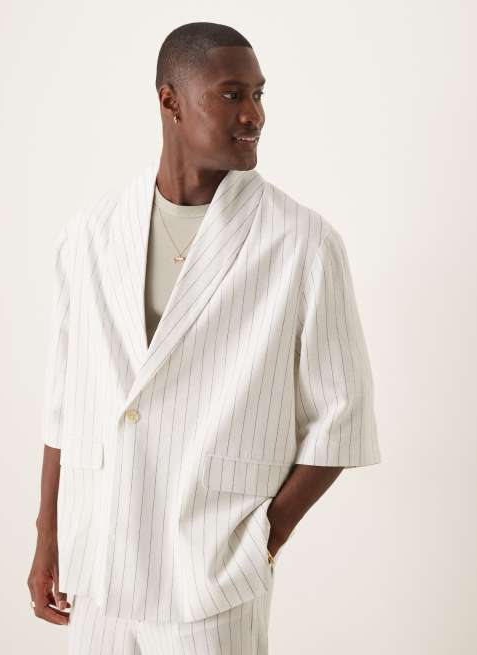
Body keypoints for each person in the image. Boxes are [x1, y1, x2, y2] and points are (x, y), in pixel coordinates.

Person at [27, 21, 381, 654]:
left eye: (259, 94)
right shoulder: (89, 235)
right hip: (98, 566)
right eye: (232, 94)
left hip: (210, 577)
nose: (254, 115)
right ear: (170, 101)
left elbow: (341, 418)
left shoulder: (301, 242)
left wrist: (260, 543)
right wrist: (47, 538)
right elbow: (65, 401)